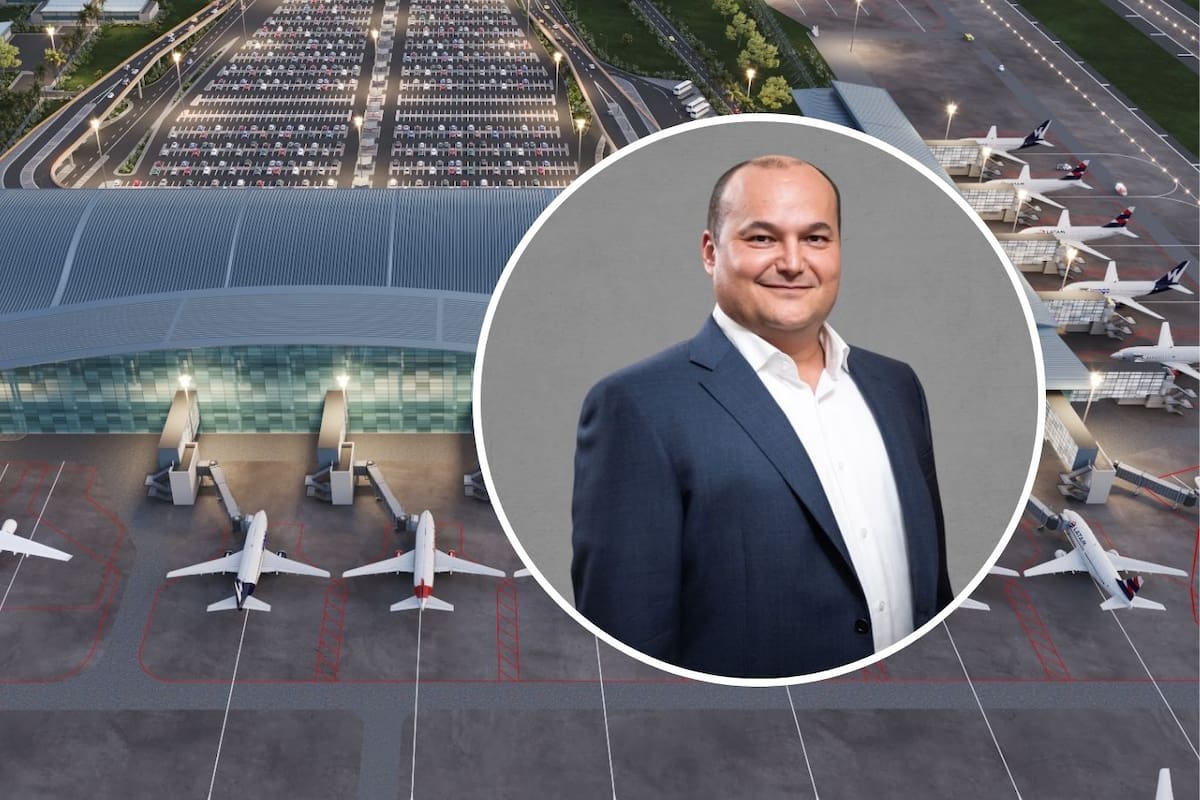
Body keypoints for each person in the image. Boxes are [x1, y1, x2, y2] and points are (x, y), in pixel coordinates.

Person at [571, 155, 952, 679]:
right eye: (762, 238)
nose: (793, 262)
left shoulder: (897, 386)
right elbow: (628, 643)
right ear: (711, 252)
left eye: (815, 238)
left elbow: (935, 586)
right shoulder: (637, 407)